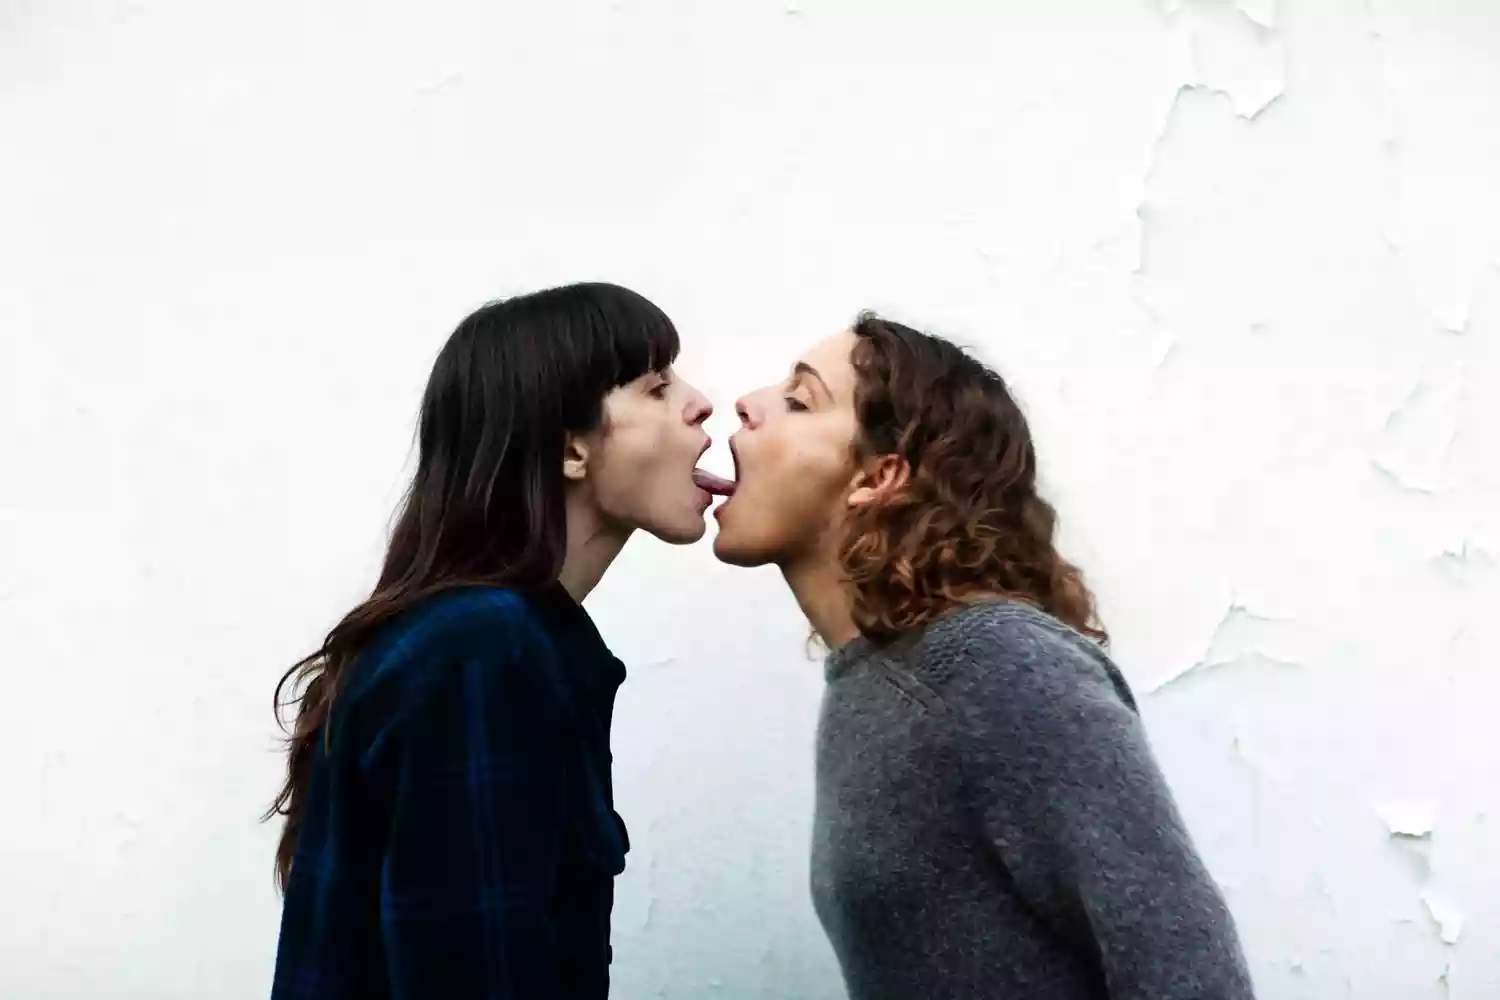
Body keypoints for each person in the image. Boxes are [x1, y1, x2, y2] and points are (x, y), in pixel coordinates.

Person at [711, 313, 1255, 1000]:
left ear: (878, 476)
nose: (745, 404)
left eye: (800, 399)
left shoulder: (995, 664)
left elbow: (1190, 971)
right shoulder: (871, 680)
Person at [265, 282, 733, 999]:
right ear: (571, 448)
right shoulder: (482, 650)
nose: (700, 404)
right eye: (656, 387)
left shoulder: (498, 639)